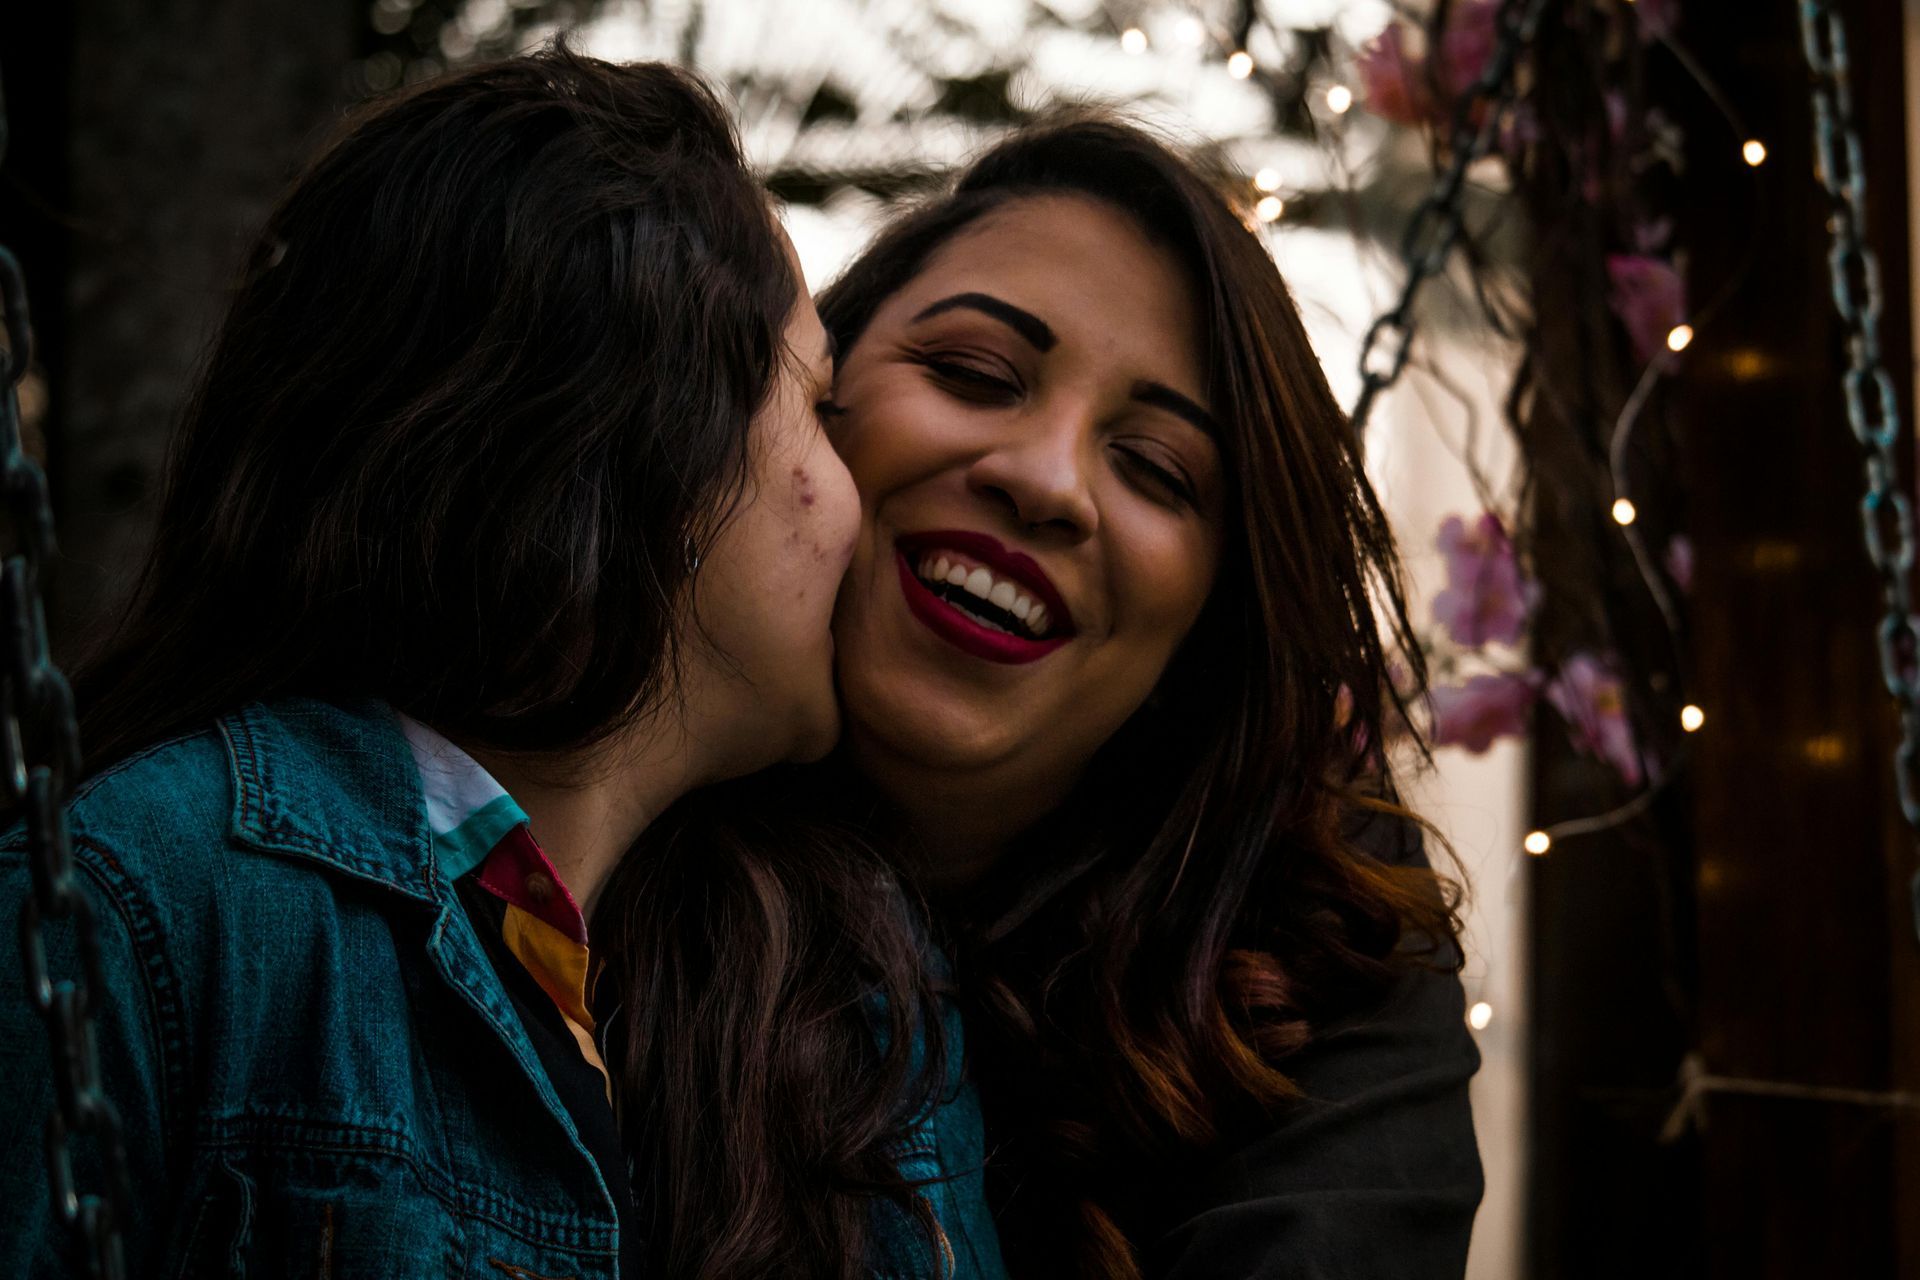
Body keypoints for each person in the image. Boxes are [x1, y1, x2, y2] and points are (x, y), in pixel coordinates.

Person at [0, 48, 1001, 1279]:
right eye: (817, 404)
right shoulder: (148, 901)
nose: (852, 502)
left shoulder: (837, 992)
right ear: (669, 458)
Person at [603, 114, 1483, 1278]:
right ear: (800, 411)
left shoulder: (1318, 932)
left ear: (1211, 625)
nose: (1047, 479)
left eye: (1159, 469)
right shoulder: (568, 779)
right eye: (975, 373)